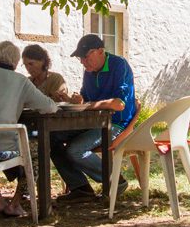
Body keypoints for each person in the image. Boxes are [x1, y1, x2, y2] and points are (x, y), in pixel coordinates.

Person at [0, 41, 58, 216]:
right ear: (16, 62)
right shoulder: (20, 81)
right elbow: (50, 107)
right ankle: (16, 202)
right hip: (1, 145)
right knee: (39, 149)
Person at [51, 34, 136, 202]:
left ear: (100, 51)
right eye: (80, 58)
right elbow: (85, 100)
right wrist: (74, 100)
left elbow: (119, 104)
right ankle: (80, 188)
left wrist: (90, 105)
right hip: (92, 122)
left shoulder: (119, 65)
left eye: (86, 57)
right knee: (51, 137)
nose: (83, 62)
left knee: (75, 150)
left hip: (116, 124)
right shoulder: (89, 72)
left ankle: (116, 180)